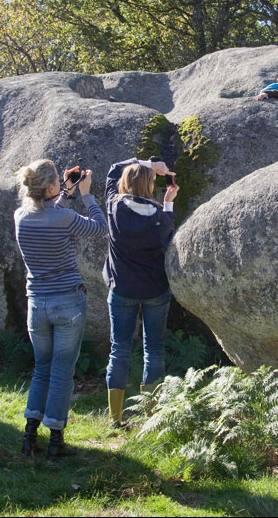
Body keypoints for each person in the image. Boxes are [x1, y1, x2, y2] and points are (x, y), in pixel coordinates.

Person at [14, 159, 106, 459]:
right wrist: (87, 194)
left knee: (42, 368)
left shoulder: (20, 216)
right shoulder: (64, 217)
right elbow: (100, 228)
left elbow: (48, 211)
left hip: (37, 304)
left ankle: (29, 435)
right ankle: (55, 441)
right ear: (51, 186)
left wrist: (63, 192)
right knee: (62, 372)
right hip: (68, 302)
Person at [103, 157, 179, 426]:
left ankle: (115, 418)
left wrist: (147, 162)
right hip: (155, 289)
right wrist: (169, 202)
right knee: (154, 350)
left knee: (119, 349)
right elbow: (168, 236)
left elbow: (112, 170)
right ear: (149, 186)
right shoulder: (159, 216)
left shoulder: (113, 207)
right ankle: (150, 417)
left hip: (122, 288)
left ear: (125, 183)